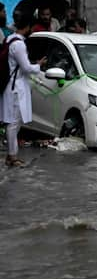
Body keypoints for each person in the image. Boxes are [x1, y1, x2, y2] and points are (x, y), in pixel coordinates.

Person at [2, 14, 46, 167]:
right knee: (14, 122)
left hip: (14, 85)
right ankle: (12, 157)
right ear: (27, 27)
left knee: (13, 122)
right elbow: (26, 68)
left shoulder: (10, 39)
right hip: (16, 88)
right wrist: (38, 65)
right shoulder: (19, 44)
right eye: (32, 27)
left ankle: (11, 155)